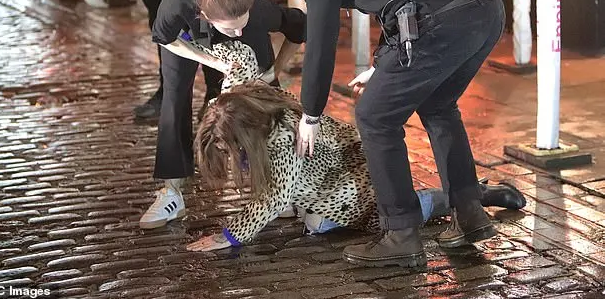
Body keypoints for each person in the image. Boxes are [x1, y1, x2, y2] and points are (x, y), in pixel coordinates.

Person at [274, 0, 507, 267]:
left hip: (440, 22)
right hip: (488, 7)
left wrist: (312, 112)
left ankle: (400, 233)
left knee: (374, 117)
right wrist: (382, 66)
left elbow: (320, 43)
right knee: (438, 104)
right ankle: (469, 213)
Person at [184, 77, 525, 252]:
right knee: (316, 221)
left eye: (229, 146)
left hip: (353, 187)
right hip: (332, 177)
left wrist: (231, 235)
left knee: (394, 213)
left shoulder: (283, 140)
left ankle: (475, 195)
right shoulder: (256, 111)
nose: (227, 153)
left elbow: (272, 197)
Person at [139, 0, 307, 229]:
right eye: (232, 28)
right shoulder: (176, 1)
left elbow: (299, 27)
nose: (238, 31)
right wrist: (214, 62)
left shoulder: (258, 13)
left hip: (234, 13)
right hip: (184, 36)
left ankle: (276, 185)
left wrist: (275, 70)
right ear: (205, 17)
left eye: (242, 23)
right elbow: (164, 38)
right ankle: (172, 193)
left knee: (264, 96)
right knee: (175, 96)